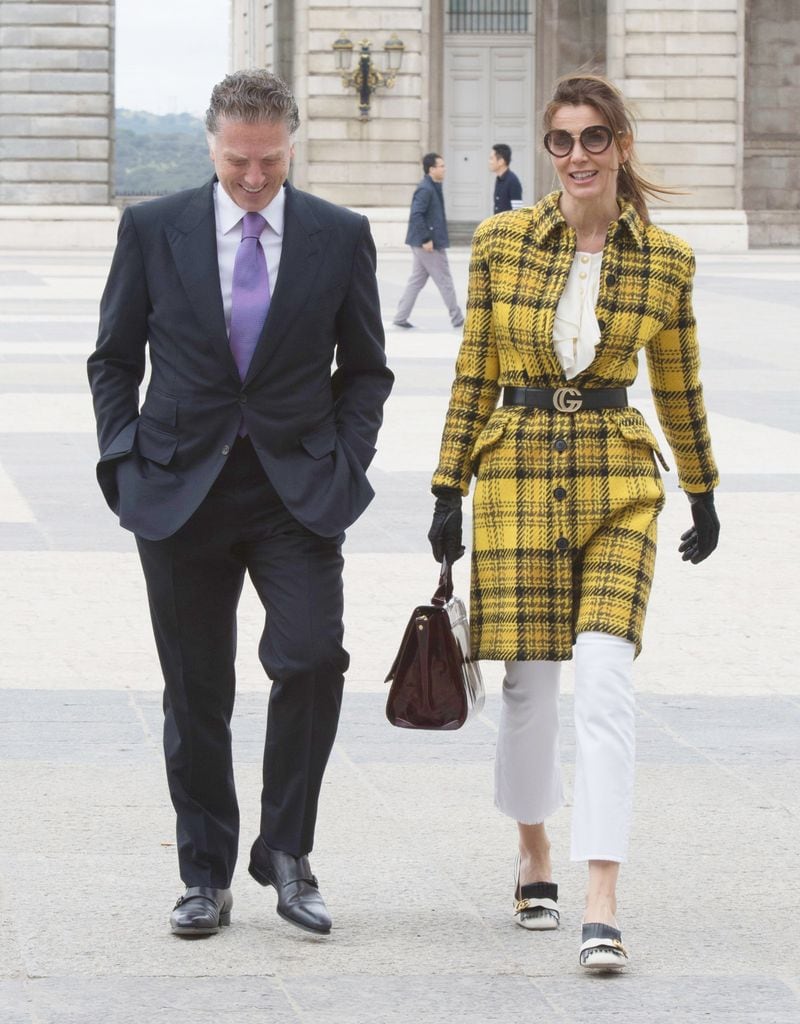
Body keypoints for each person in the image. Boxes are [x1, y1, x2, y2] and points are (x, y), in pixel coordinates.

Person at [88, 70, 393, 939]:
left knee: (310, 661)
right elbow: (112, 358)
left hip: (296, 492)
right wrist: (123, 460)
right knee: (195, 692)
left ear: (292, 144)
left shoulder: (339, 235)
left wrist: (345, 460)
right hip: (179, 489)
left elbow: (365, 370)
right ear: (211, 145)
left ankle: (288, 855)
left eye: (268, 161)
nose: (253, 179)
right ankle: (204, 876)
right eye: (236, 162)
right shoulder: (154, 228)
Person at [427, 73, 719, 970]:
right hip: (514, 472)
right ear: (547, 151)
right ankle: (534, 850)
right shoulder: (504, 241)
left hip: (619, 478)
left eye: (596, 139)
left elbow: (678, 380)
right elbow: (476, 365)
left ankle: (601, 896)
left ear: (621, 147)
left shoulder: (666, 260)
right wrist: (446, 486)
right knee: (529, 691)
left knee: (604, 678)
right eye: (562, 141)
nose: (579, 156)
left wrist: (703, 489)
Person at [393, 153, 464, 330]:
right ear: (431, 169)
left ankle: (400, 317)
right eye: (441, 166)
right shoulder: (426, 189)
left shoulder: (432, 186)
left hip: (425, 241)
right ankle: (458, 319)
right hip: (428, 243)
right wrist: (426, 238)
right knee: (444, 280)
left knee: (416, 280)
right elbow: (416, 214)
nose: (444, 168)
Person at [489, 143, 523, 213]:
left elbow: (518, 211)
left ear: (501, 161)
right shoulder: (499, 179)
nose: (489, 162)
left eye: (491, 158)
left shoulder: (513, 181)